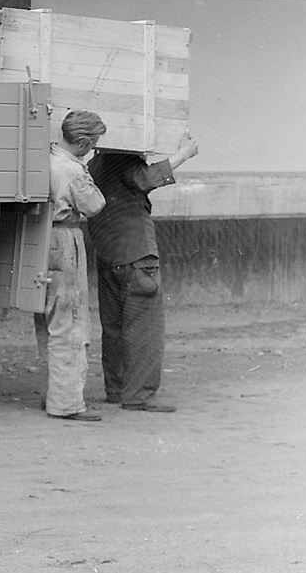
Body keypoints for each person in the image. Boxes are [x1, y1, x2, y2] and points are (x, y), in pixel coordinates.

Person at [90, 131, 199, 413]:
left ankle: (116, 388)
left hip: (107, 256)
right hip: (138, 256)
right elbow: (145, 179)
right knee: (145, 328)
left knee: (113, 328)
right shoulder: (125, 161)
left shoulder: (95, 164)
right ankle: (138, 395)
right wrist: (183, 154)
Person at [38, 110, 108, 421]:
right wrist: (84, 170)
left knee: (48, 322)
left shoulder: (46, 158)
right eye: (92, 145)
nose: (93, 150)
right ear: (82, 143)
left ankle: (53, 394)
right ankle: (66, 404)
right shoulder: (72, 169)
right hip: (65, 240)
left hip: (40, 239)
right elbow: (94, 205)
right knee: (71, 323)